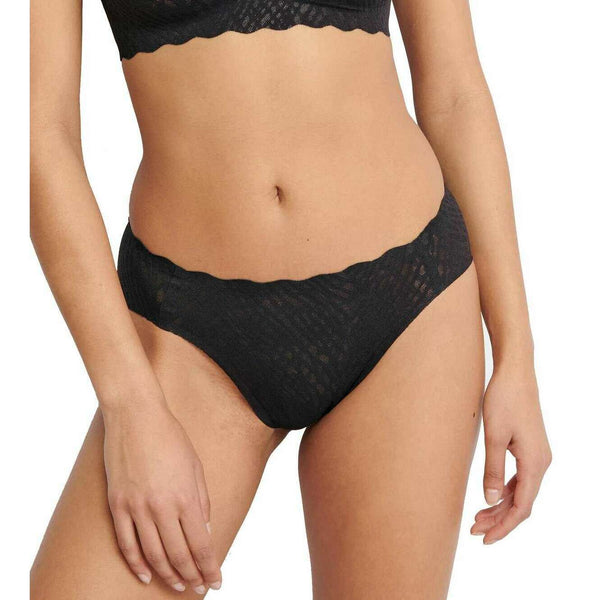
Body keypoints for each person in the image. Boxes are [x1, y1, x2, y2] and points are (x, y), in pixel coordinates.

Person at [30, 1, 551, 598]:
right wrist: (130, 407)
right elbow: (39, 137)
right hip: (187, 331)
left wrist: (516, 353)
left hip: (408, 308)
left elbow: (455, 91)